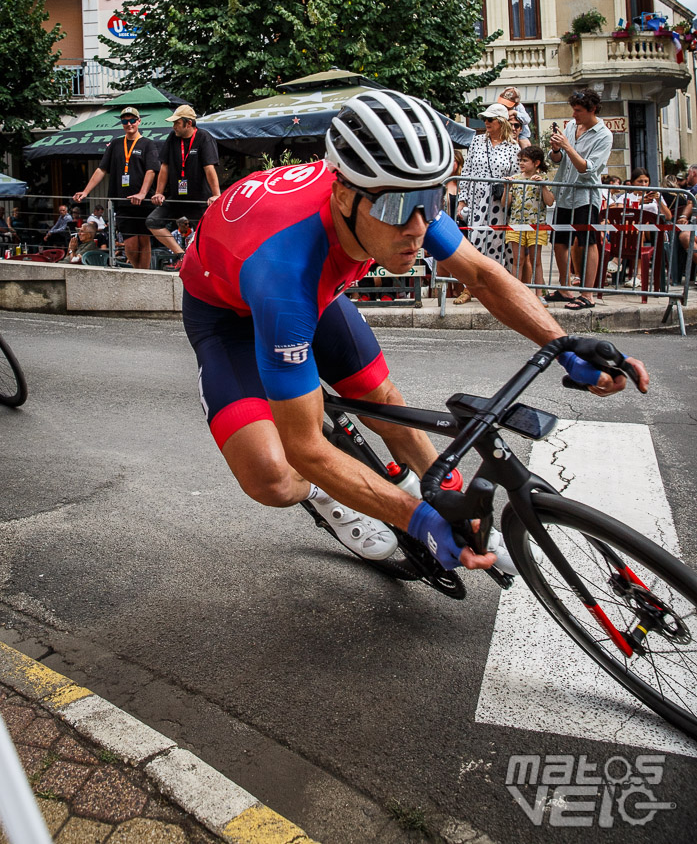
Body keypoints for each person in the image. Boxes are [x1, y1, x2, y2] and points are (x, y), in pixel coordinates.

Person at [178, 89, 648, 579]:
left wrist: (565, 345)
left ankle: (454, 506)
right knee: (272, 476)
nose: (419, 228)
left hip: (312, 284)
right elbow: (305, 448)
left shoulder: (396, 195)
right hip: (229, 311)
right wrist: (414, 518)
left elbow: (483, 276)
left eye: (432, 198)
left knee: (385, 403)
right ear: (343, 196)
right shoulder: (285, 272)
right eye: (402, 207)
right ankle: (326, 498)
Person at [546, 89, 613, 310]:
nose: (574, 115)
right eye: (573, 110)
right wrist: (556, 149)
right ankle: (565, 289)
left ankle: (588, 294)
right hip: (565, 192)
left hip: (585, 194)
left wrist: (567, 146)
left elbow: (587, 169)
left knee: (587, 243)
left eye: (578, 111)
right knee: (559, 242)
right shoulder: (572, 126)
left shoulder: (603, 135)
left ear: (592, 110)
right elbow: (559, 160)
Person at [72, 107, 160, 269]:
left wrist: (142, 193)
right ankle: (138, 271)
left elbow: (151, 170)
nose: (129, 124)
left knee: (144, 239)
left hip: (144, 202)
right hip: (122, 201)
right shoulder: (116, 144)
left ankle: (144, 274)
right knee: (131, 244)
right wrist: (86, 191)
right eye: (125, 121)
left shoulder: (148, 144)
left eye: (132, 120)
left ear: (139, 121)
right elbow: (101, 169)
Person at [455, 103, 518, 300]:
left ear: (500, 122)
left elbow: (516, 175)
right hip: (476, 200)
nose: (486, 123)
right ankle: (469, 288)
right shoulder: (477, 141)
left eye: (490, 119)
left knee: (498, 245)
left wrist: (509, 189)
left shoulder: (512, 146)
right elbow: (467, 172)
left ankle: (496, 288)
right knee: (474, 244)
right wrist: (462, 201)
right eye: (485, 119)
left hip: (499, 203)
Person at [147, 105, 221, 267]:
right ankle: (181, 254)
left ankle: (205, 265)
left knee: (206, 234)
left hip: (199, 199)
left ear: (188, 123)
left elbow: (209, 168)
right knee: (153, 221)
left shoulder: (203, 137)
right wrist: (159, 192)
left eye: (177, 123)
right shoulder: (173, 138)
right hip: (177, 197)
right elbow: (164, 167)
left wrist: (216, 195)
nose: (173, 126)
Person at [501, 146, 555, 302]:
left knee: (536, 260)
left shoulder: (543, 178)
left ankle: (539, 294)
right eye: (520, 160)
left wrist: (543, 185)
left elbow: (550, 201)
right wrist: (507, 188)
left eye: (525, 160)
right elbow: (506, 204)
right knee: (518, 261)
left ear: (536, 162)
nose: (521, 163)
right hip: (516, 224)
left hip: (536, 226)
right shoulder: (516, 178)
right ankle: (517, 294)